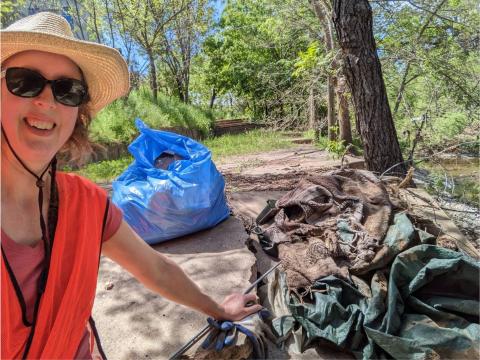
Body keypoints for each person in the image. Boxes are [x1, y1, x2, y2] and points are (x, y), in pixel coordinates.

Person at [0, 12, 262, 359]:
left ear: (79, 112)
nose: (47, 100)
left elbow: (156, 268)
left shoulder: (86, 203)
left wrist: (219, 309)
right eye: (25, 82)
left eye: (68, 90)